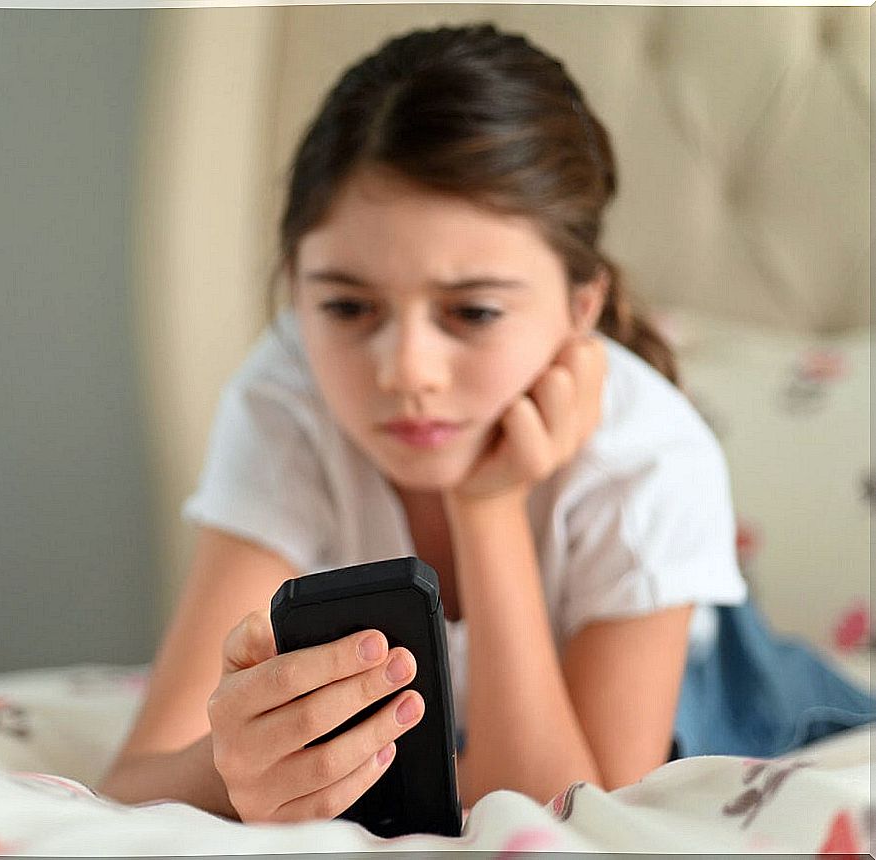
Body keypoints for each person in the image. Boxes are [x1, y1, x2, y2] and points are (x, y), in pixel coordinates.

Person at [98, 23, 875, 825]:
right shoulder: (287, 398)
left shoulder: (651, 455)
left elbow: (574, 810)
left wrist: (488, 507)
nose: (405, 370)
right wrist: (233, 767)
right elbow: (134, 781)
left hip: (721, 705)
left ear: (581, 308)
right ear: (295, 290)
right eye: (345, 306)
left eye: (470, 311)